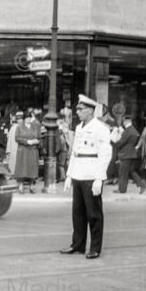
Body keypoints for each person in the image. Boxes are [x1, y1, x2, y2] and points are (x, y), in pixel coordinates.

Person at [60, 95, 112, 260]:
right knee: (78, 213)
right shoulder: (80, 127)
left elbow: (105, 154)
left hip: (92, 174)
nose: (78, 112)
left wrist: (99, 178)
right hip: (79, 173)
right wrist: (69, 175)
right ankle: (78, 244)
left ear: (90, 111)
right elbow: (75, 153)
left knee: (94, 213)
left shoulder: (100, 128)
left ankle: (95, 247)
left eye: (81, 109)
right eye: (77, 109)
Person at [113, 113, 146, 194]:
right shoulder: (133, 130)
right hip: (131, 154)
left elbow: (121, 142)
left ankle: (122, 189)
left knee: (123, 172)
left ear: (125, 121)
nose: (123, 123)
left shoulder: (128, 131)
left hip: (126, 154)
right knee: (131, 171)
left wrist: (114, 142)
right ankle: (142, 184)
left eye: (123, 121)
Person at [14, 109, 41, 194]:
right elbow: (17, 138)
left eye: (30, 118)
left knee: (32, 169)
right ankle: (21, 186)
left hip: (33, 150)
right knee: (22, 169)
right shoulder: (19, 126)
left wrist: (37, 141)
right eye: (27, 118)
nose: (29, 119)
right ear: (24, 119)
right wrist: (27, 142)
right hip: (23, 151)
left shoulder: (35, 126)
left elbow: (39, 137)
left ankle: (31, 186)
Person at [5, 111, 23, 175]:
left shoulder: (15, 127)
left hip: (17, 149)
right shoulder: (14, 128)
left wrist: (8, 150)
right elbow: (9, 140)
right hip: (15, 149)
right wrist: (8, 150)